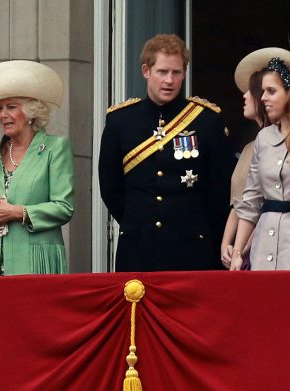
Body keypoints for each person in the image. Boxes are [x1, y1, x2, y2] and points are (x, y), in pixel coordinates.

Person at [98, 34, 234, 272]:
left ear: (184, 73)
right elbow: (110, 187)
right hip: (139, 245)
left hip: (192, 247)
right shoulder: (120, 120)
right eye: (162, 72)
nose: (169, 80)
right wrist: (139, 222)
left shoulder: (207, 120)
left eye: (176, 72)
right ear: (146, 71)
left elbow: (219, 190)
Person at [0, 60, 74, 276]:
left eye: (11, 107)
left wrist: (16, 212)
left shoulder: (55, 148)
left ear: (31, 111)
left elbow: (64, 207)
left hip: (35, 262)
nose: (3, 114)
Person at [221, 48, 290, 269]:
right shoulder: (263, 139)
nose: (263, 97)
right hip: (263, 243)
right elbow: (250, 201)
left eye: (271, 91)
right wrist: (237, 252)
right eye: (263, 91)